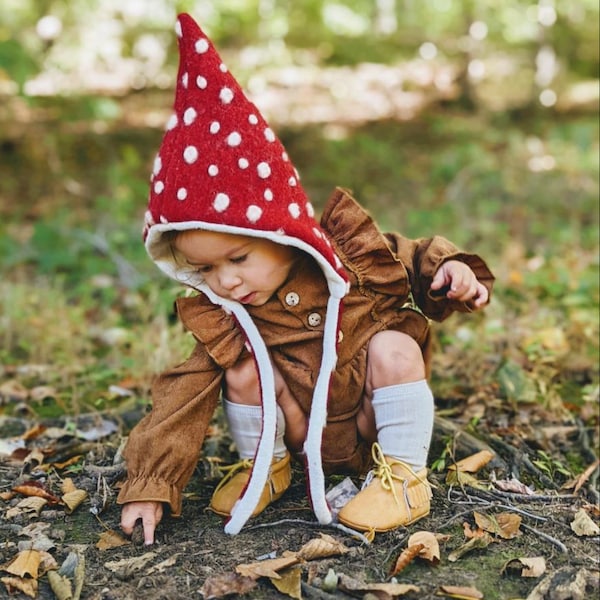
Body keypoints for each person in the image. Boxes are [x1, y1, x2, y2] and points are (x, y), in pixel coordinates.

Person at [118, 13, 494, 545]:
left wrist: (452, 271)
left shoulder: (352, 258)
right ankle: (265, 465)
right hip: (299, 434)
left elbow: (416, 257)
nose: (224, 281)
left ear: (282, 233)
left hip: (368, 423)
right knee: (242, 369)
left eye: (238, 258)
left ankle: (406, 476)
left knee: (392, 348)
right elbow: (180, 397)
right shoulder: (231, 312)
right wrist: (149, 480)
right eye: (203, 269)